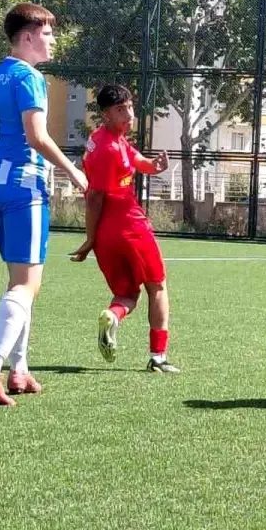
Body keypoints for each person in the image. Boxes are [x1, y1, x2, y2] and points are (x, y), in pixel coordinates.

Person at [0, 3, 88, 406]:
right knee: (27, 284)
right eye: (47, 33)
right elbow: (37, 137)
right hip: (23, 188)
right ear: (28, 37)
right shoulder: (30, 77)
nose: (53, 40)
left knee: (20, 282)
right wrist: (73, 171)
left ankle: (20, 369)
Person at [70, 84, 178, 374]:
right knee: (157, 287)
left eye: (130, 107)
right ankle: (158, 357)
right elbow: (94, 197)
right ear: (106, 114)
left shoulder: (102, 138)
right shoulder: (111, 149)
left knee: (127, 293)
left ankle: (113, 315)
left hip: (107, 235)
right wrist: (88, 239)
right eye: (121, 110)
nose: (129, 114)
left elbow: (135, 159)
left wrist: (153, 166)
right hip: (130, 226)